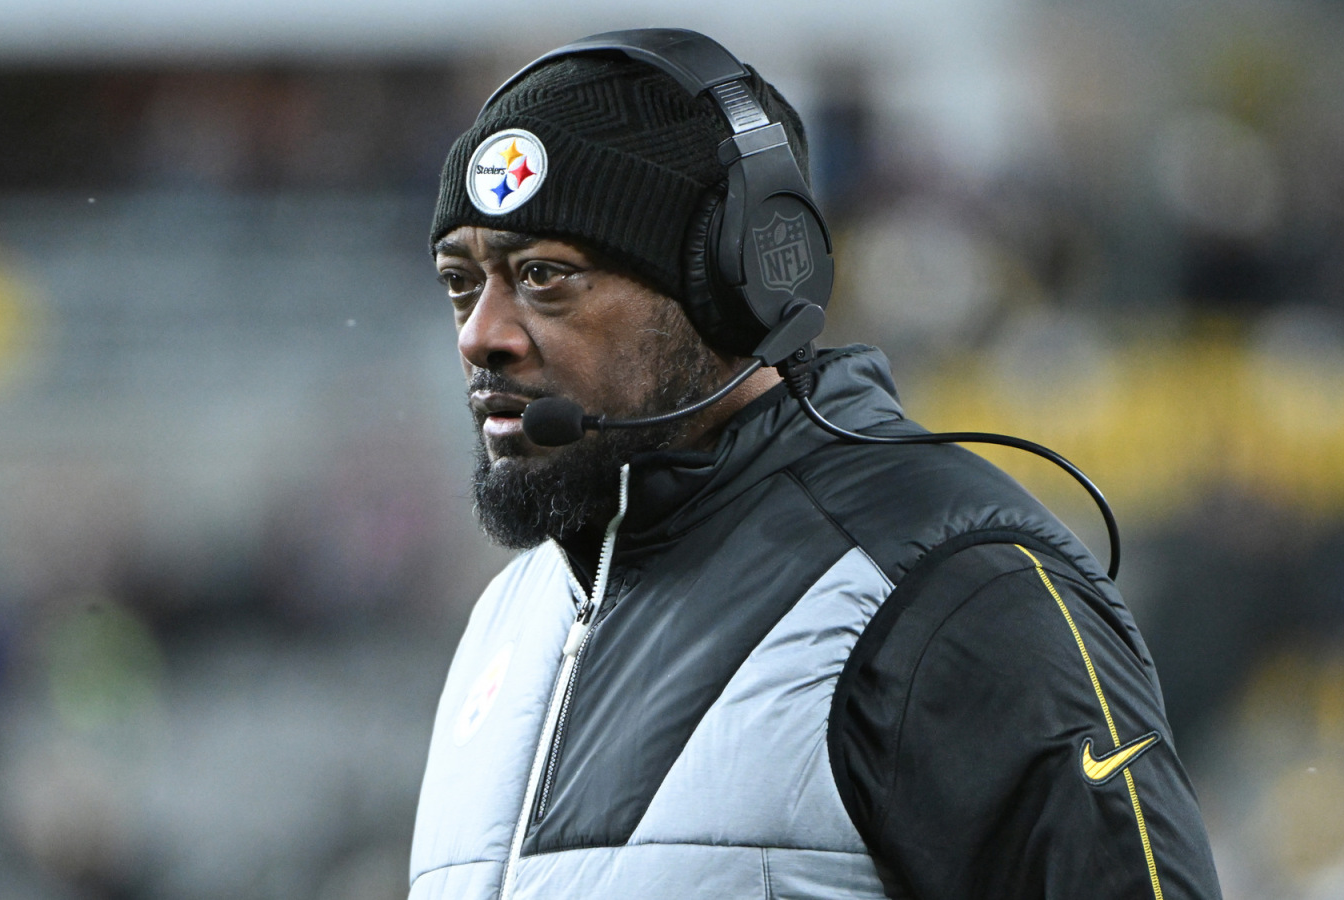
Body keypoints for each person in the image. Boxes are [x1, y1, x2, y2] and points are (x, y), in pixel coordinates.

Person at [408, 28, 1222, 900]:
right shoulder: (510, 617)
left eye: (544, 276)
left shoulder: (956, 596)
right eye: (461, 281)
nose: (479, 335)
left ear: (734, 285)